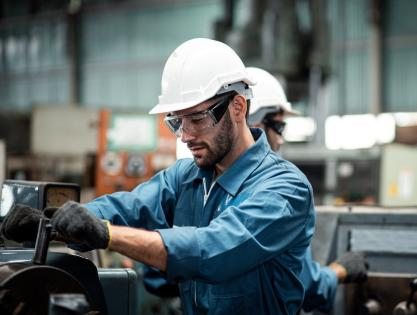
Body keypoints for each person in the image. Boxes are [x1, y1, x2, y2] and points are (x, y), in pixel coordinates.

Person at [0, 38, 316, 315]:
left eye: (196, 118)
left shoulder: (285, 190)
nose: (185, 135)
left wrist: (107, 234)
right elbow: (128, 208)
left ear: (237, 107)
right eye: (176, 122)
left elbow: (211, 250)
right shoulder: (188, 177)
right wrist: (51, 223)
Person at [246, 66, 369, 313]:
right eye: (278, 127)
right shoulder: (275, 196)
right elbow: (304, 286)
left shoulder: (201, 187)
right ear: (254, 122)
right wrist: (339, 271)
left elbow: (158, 276)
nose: (280, 140)